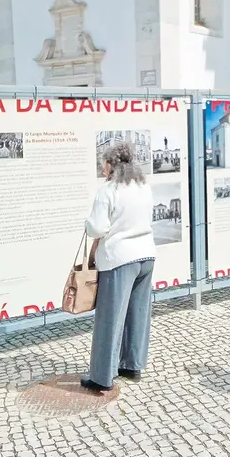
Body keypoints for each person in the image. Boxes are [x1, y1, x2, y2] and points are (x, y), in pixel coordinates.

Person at [81, 142, 157, 392]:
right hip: (146, 255)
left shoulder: (108, 190)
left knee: (110, 318)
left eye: (104, 161)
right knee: (138, 313)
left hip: (119, 259)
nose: (102, 166)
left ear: (111, 164)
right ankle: (131, 365)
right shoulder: (142, 186)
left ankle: (102, 377)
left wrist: (87, 223)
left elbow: (97, 228)